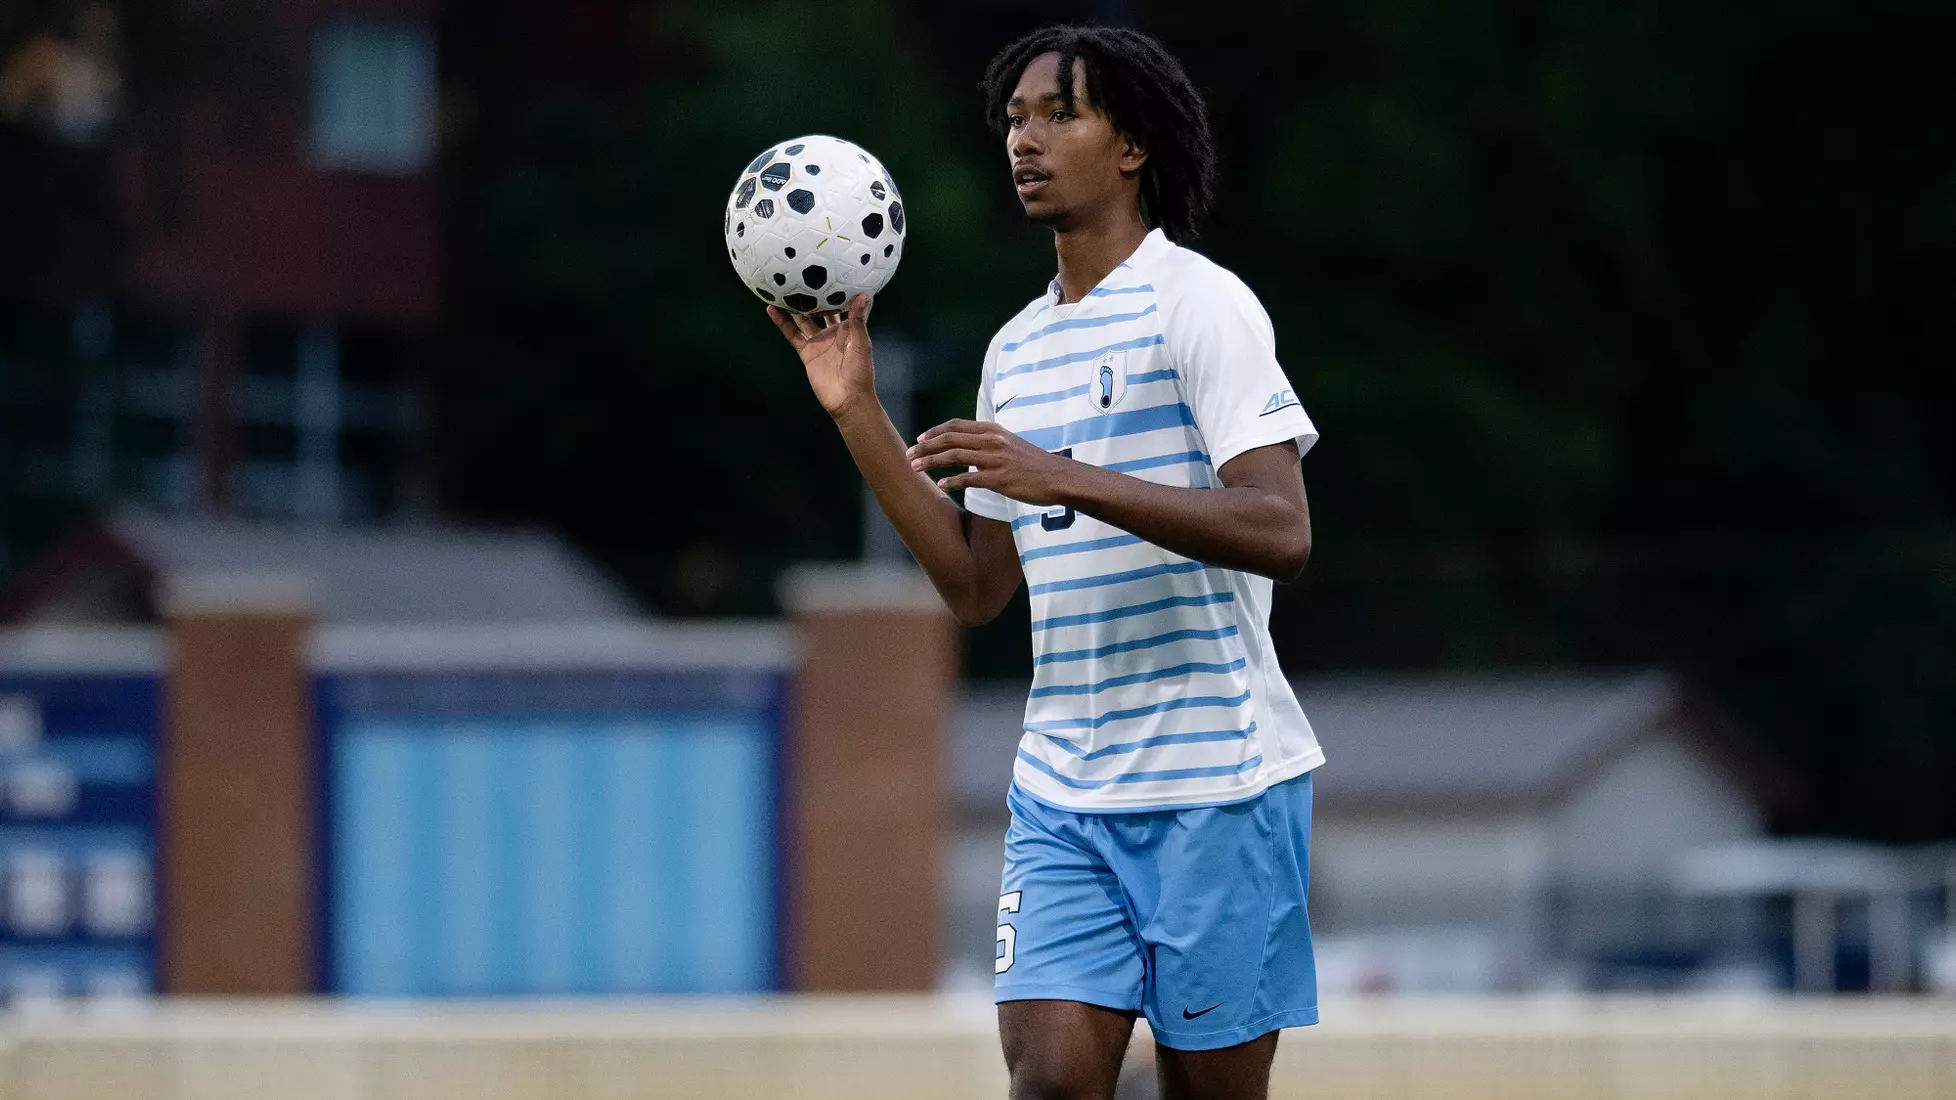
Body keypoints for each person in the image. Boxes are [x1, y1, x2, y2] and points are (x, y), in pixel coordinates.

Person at [767, 23, 1321, 1100]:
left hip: (1222, 787)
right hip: (1064, 791)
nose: (1025, 137)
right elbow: (977, 587)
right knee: (1054, 1079)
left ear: (1132, 146)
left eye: (1059, 113)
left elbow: (1281, 528)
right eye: (1015, 118)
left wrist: (1066, 476)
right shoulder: (1016, 349)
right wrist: (857, 407)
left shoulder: (1201, 304)